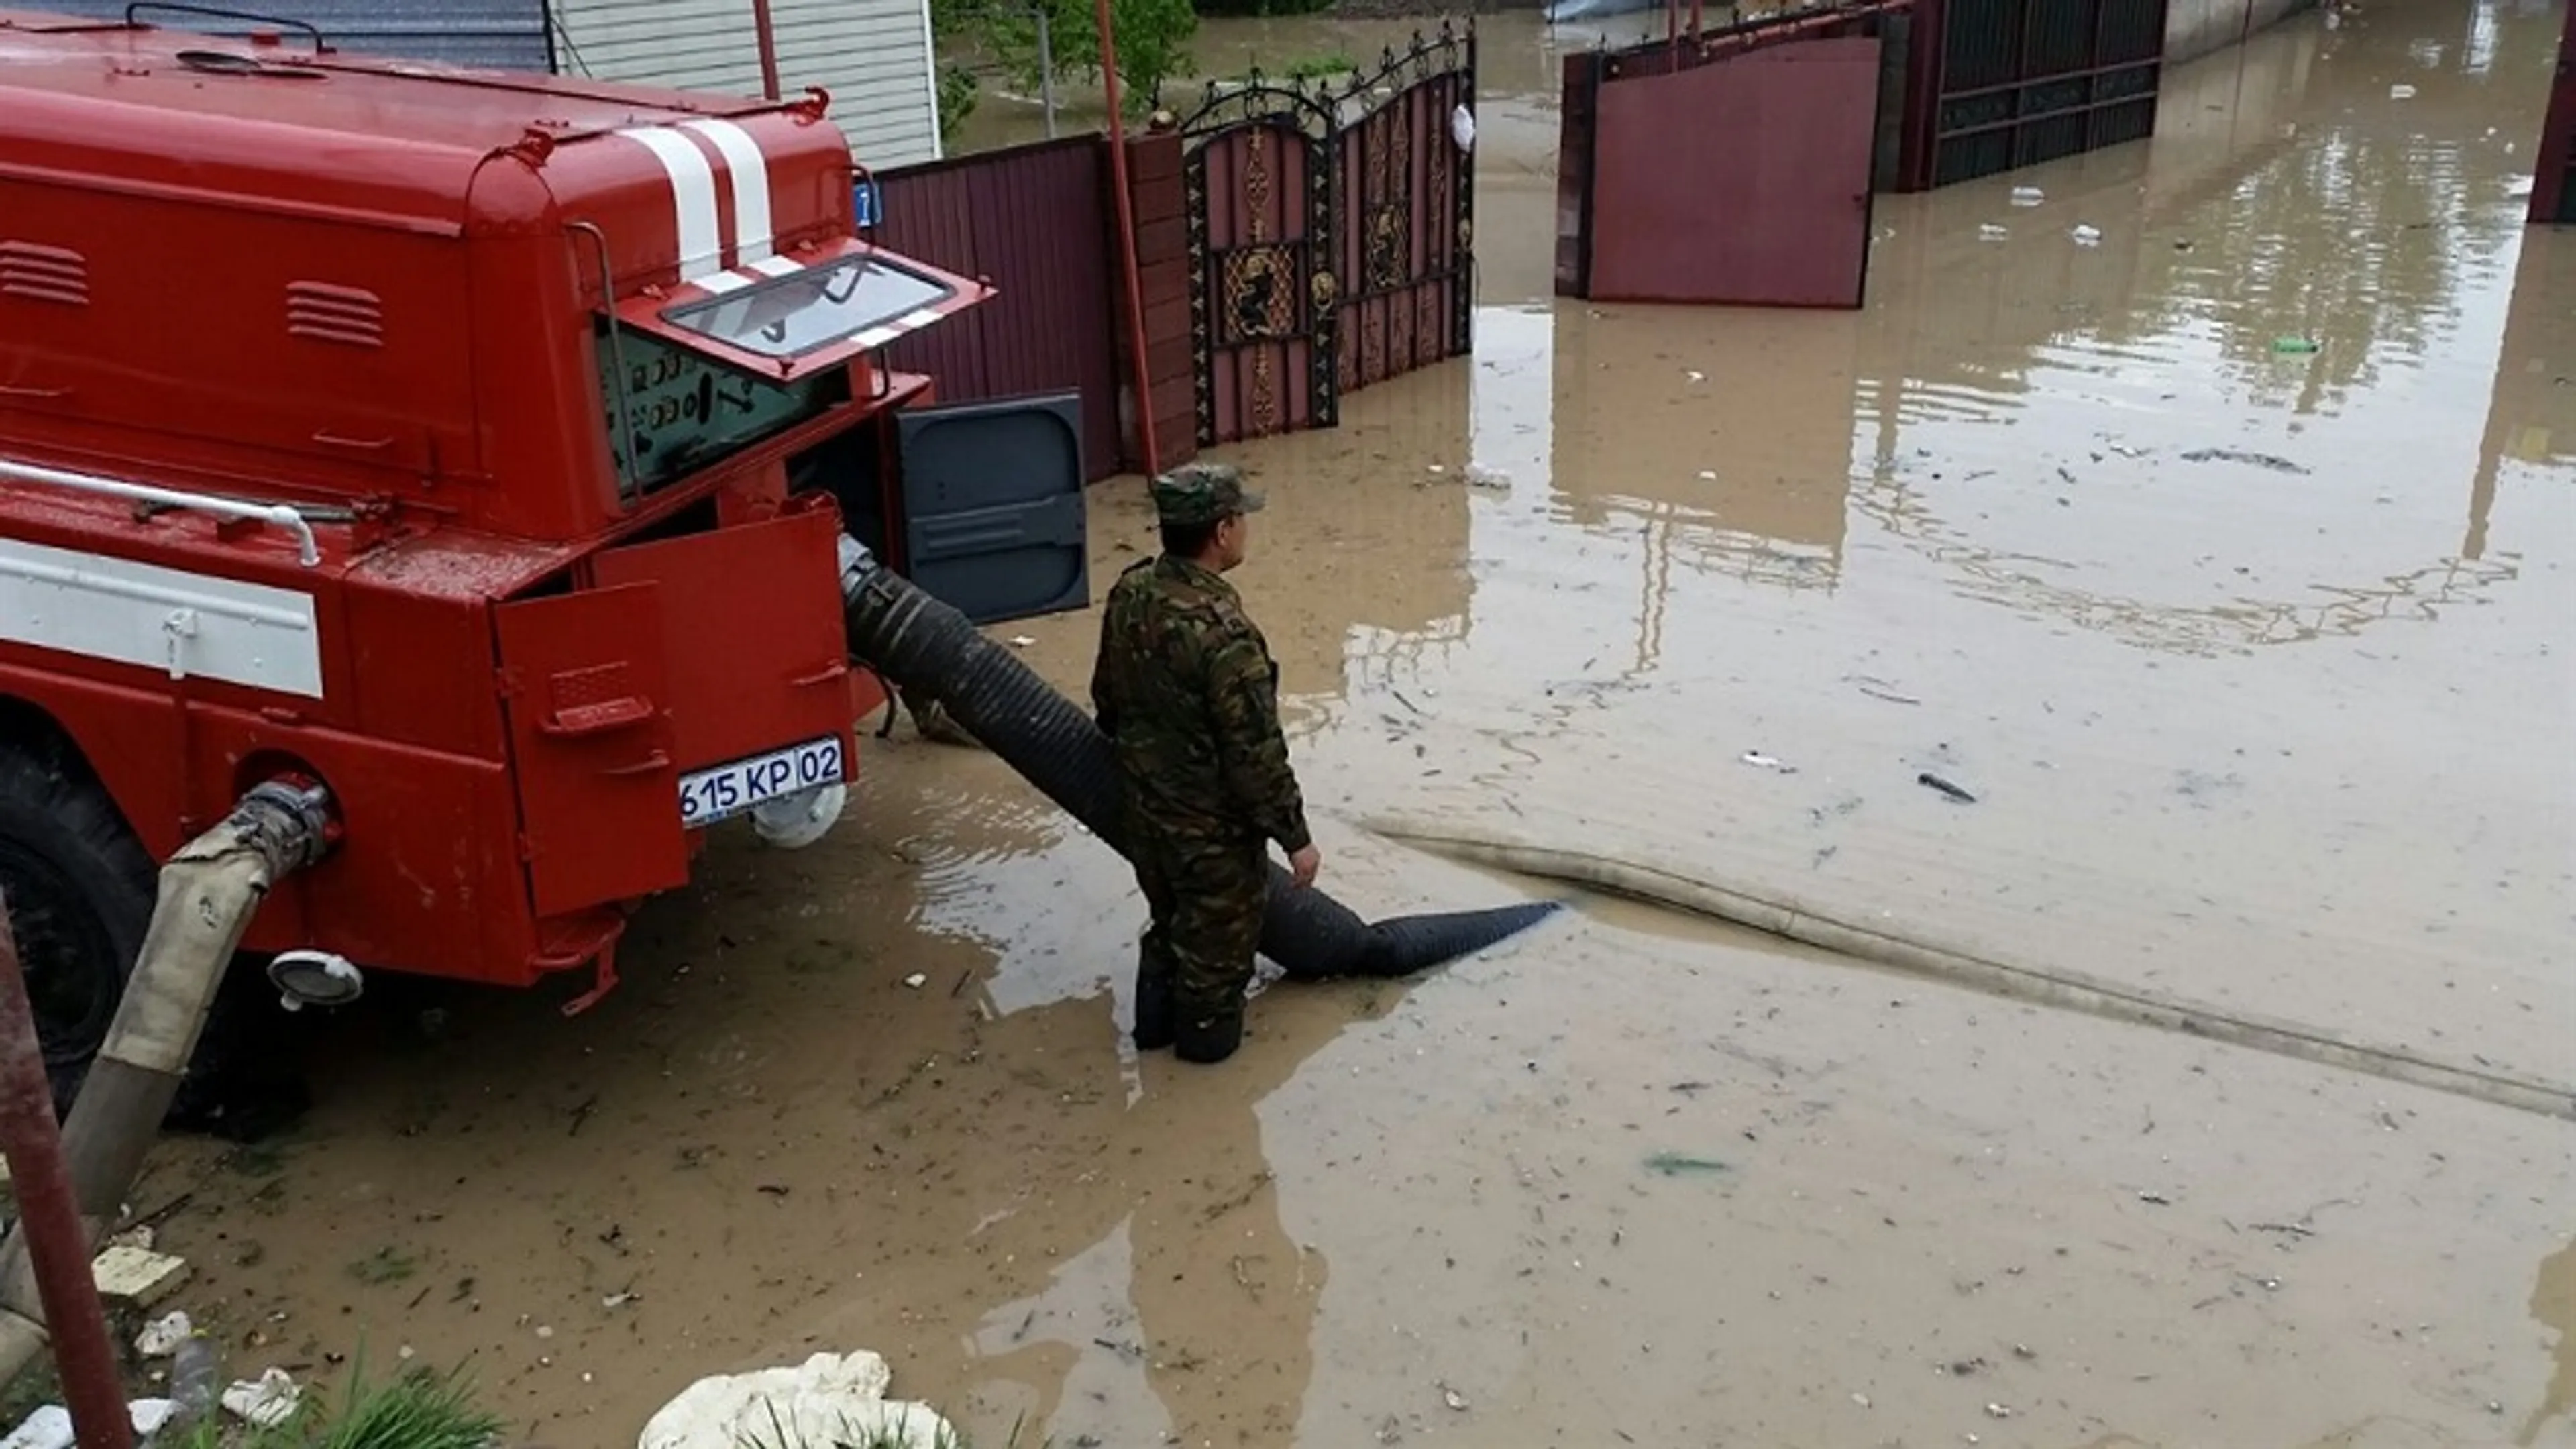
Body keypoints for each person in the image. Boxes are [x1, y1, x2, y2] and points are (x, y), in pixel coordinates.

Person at [1089, 463, 1322, 1064]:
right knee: (1216, 959)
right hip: (1210, 836)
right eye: (1241, 518)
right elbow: (1255, 757)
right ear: (1222, 532)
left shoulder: (1131, 592)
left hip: (1144, 817)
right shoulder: (1227, 636)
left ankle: (1150, 1049)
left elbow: (1107, 699)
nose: (1246, 528)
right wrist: (1296, 838)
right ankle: (1200, 1075)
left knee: (1168, 926)